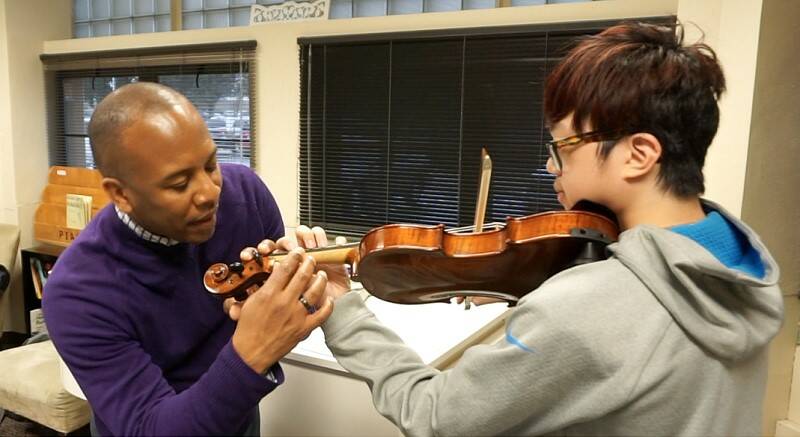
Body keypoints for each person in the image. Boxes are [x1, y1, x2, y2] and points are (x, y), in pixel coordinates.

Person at [284, 21, 784, 436]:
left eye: (563, 146)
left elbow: (434, 414)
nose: (550, 166)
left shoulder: (585, 309)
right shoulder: (738, 268)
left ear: (639, 154)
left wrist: (341, 307)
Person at [42, 82, 333, 436]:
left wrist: (302, 290)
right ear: (120, 194)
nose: (211, 193)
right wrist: (250, 353)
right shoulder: (76, 293)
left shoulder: (246, 195)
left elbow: (278, 320)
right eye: (179, 184)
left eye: (210, 165)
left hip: (236, 410)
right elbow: (150, 428)